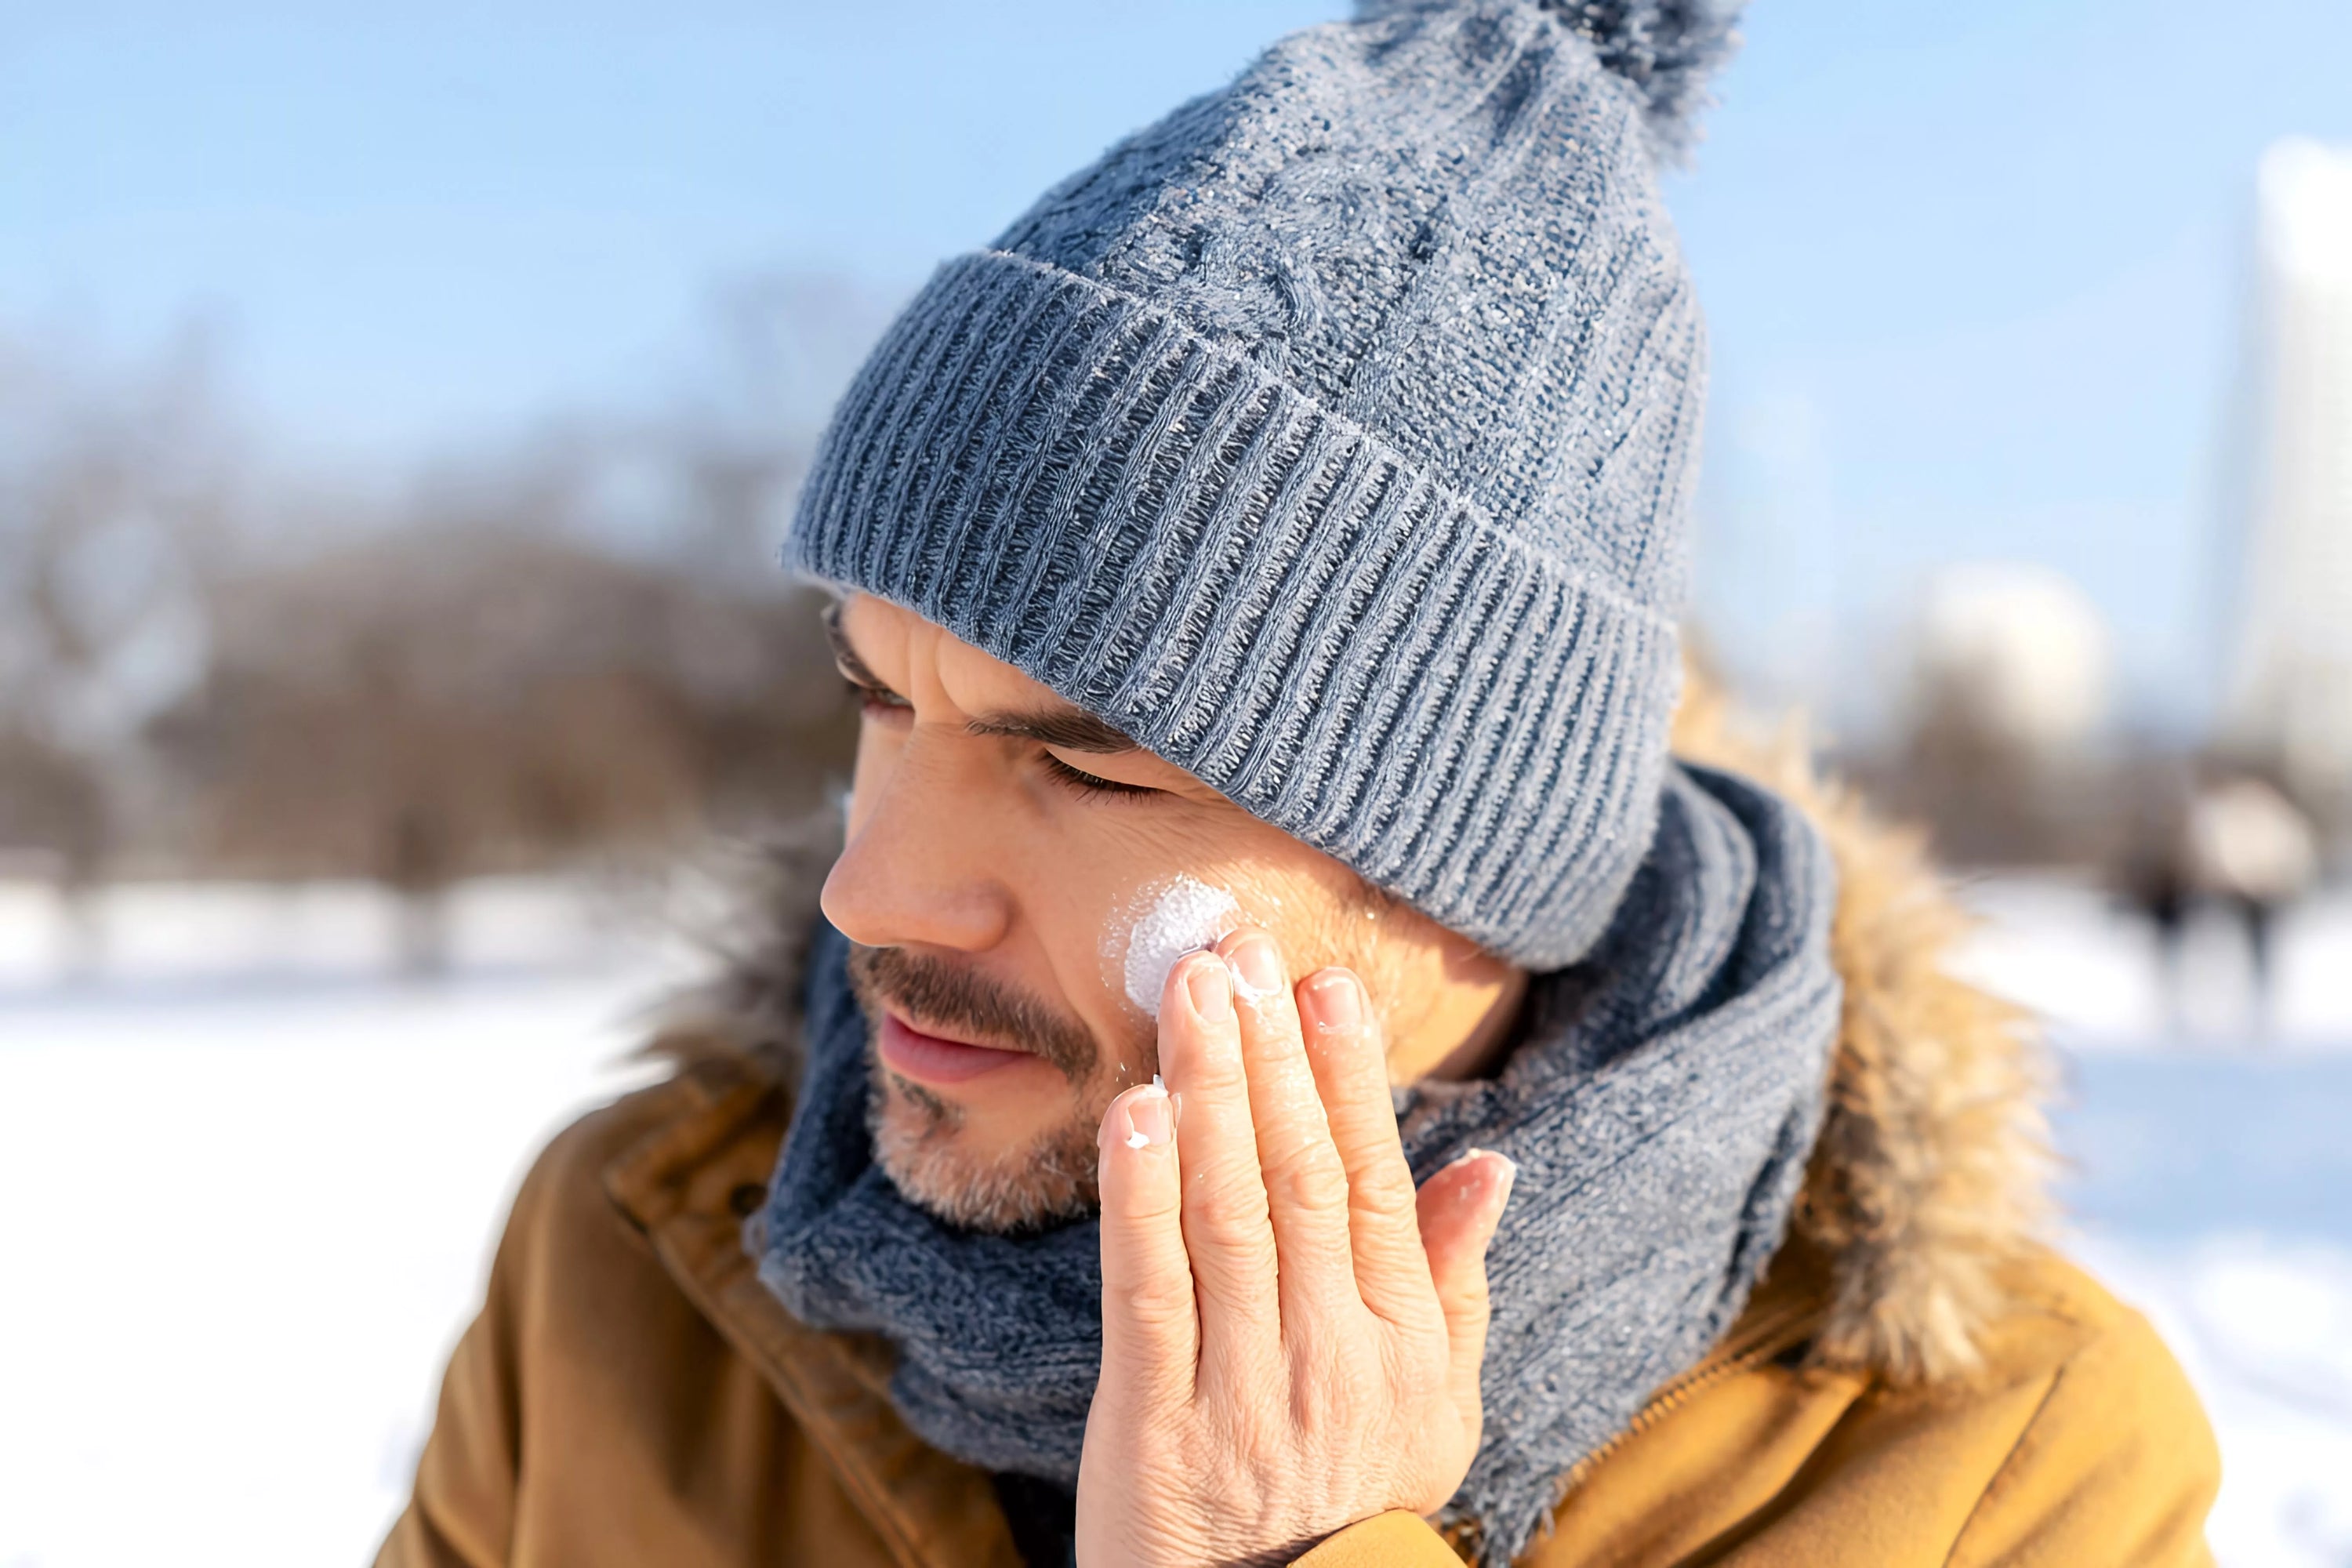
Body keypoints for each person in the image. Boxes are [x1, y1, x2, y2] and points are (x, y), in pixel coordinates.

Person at [379, 2, 2220, 1563]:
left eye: (1085, 766)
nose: (875, 889)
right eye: (882, 701)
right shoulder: (631, 1269)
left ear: (1477, 877)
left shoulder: (1997, 1472)